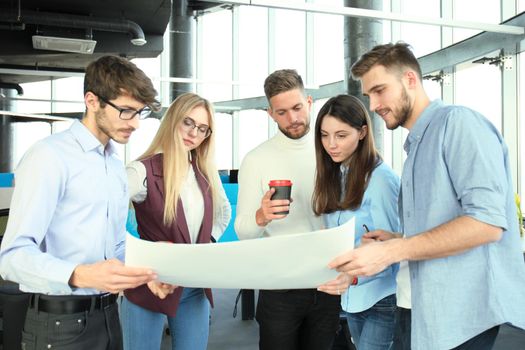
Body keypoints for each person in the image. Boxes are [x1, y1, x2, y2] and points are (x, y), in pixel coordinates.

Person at [328, 42, 525, 350]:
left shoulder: (459, 123)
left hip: (458, 313)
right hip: (417, 307)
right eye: (369, 95)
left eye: (380, 90)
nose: (374, 104)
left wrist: (394, 250)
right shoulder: (418, 143)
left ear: (410, 80)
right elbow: (444, 223)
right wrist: (395, 240)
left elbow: (487, 222)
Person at [0, 55, 160, 350]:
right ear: (92, 100)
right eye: (126, 111)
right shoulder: (49, 156)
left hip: (110, 316)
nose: (136, 124)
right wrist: (80, 274)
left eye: (141, 113)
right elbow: (11, 257)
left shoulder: (114, 164)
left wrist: (147, 274)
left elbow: (115, 248)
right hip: (59, 326)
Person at [235, 69, 347, 350]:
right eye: (282, 112)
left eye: (297, 108)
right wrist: (261, 216)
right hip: (280, 288)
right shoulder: (256, 160)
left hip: (327, 282)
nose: (293, 118)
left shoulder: (333, 151)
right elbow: (243, 232)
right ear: (270, 114)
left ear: (309, 102)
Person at [120, 92, 231, 350]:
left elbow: (223, 212)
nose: (193, 133)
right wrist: (131, 256)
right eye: (188, 122)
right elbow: (103, 213)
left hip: (193, 286)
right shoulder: (141, 171)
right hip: (147, 285)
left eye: (202, 129)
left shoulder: (203, 172)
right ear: (173, 120)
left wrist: (207, 240)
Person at [312, 94, 399, 350]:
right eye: (325, 135)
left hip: (382, 298)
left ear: (362, 132)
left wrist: (351, 277)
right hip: (350, 298)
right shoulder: (335, 174)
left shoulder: (381, 180)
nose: (331, 144)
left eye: (341, 135)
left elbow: (394, 250)